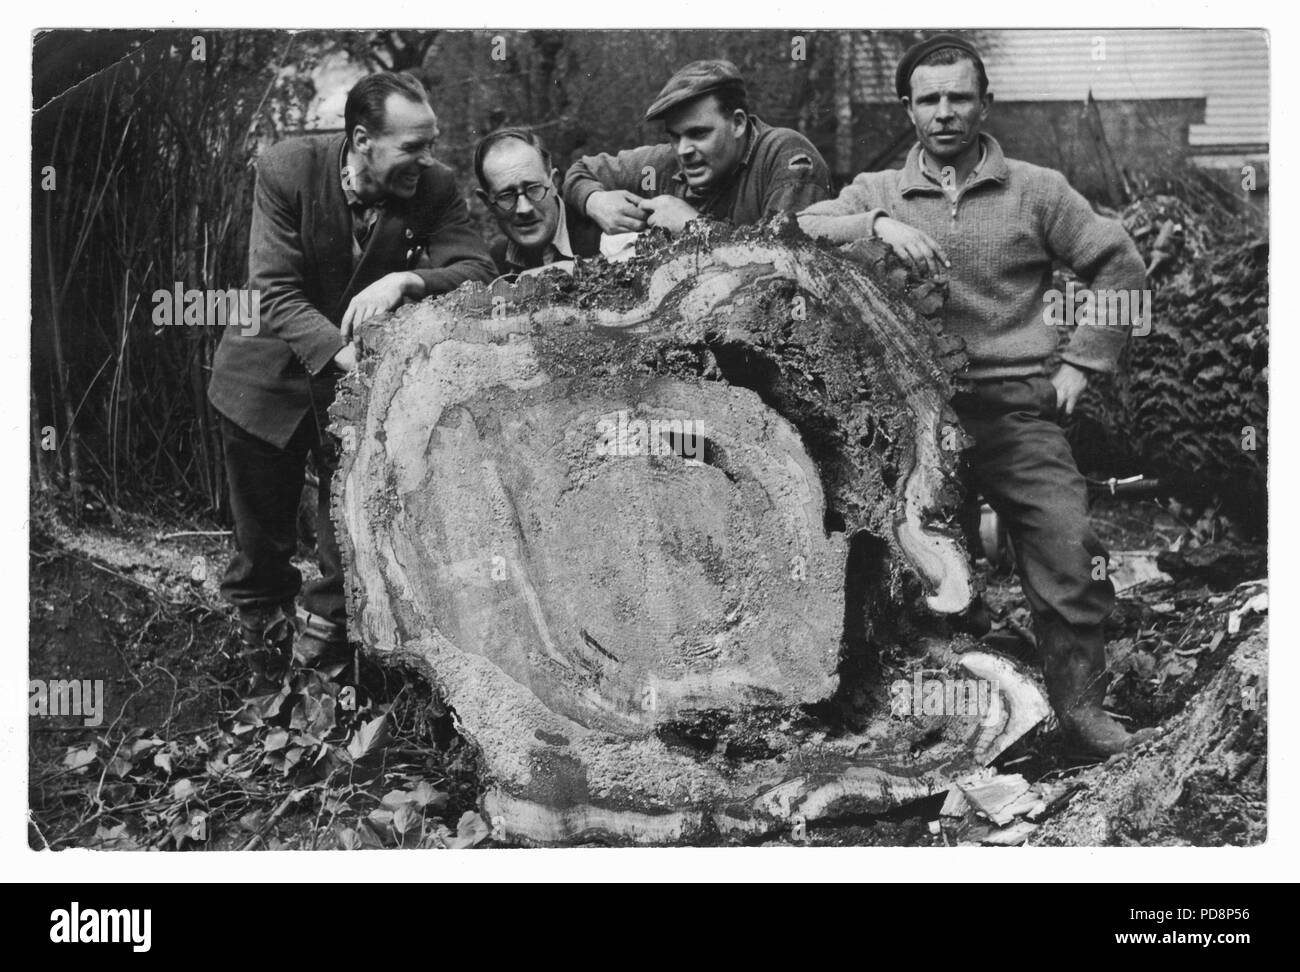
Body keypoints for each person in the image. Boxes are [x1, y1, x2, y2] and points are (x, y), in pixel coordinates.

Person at [798, 35, 1156, 757]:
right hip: (917, 420)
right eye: (929, 99)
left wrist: (1083, 364)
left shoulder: (1037, 189)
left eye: (960, 97)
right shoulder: (877, 191)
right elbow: (798, 229)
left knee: (1065, 545)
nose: (945, 113)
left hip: (1020, 407)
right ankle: (953, 725)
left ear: (984, 103)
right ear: (909, 108)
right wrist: (877, 226)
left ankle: (1081, 711)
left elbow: (1121, 268)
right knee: (930, 573)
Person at [207, 71, 495, 676]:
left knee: (351, 545)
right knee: (261, 550)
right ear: (363, 139)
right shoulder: (289, 168)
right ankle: (252, 684)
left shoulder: (434, 188)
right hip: (264, 382)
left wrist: (408, 279)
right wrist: (347, 354)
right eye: (412, 146)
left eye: (431, 143)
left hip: (359, 400)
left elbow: (477, 269)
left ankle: (324, 678)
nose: (427, 159)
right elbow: (275, 292)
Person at [562, 60, 830, 237]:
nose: (682, 150)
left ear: (737, 123)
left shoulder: (785, 156)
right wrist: (595, 202)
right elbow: (581, 171)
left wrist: (695, 227)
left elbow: (790, 262)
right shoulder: (665, 163)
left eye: (698, 133)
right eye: (675, 137)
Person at [473, 127, 600, 277]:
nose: (524, 209)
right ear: (487, 203)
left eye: (533, 189)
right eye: (506, 195)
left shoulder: (602, 237)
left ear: (554, 183)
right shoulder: (495, 264)